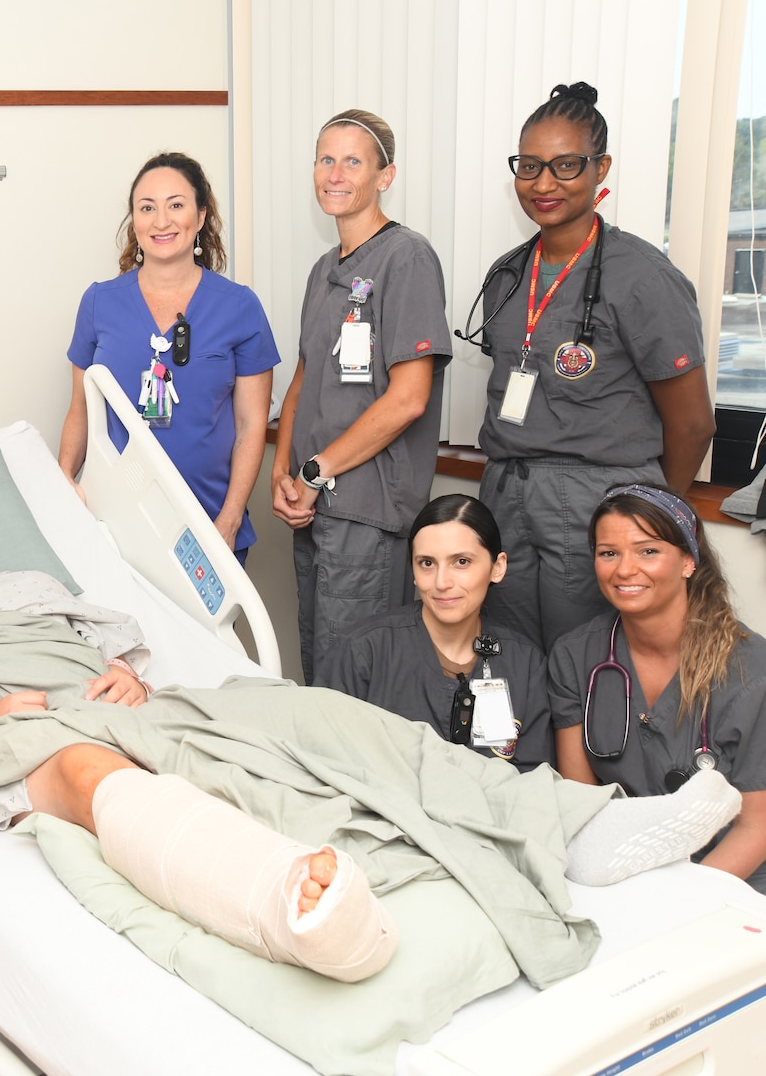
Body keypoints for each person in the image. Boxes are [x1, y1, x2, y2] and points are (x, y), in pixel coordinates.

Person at [0, 450, 744, 995]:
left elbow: (127, 664)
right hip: (3, 737)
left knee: (314, 717)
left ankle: (576, 827)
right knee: (83, 770)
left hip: (116, 706)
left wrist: (118, 670)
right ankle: (292, 908)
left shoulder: (43, 587)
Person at [472, 83, 714, 651]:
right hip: (506, 493)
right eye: (530, 166)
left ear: (600, 167)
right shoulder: (507, 276)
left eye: (565, 165)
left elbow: (693, 424)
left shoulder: (643, 278)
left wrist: (649, 520)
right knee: (509, 659)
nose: (544, 183)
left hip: (601, 502)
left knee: (589, 660)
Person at [271, 110, 452, 685]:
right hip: (313, 503)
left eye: (353, 160)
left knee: (354, 678)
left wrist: (316, 471)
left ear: (385, 175)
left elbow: (408, 399)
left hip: (365, 508)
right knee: (319, 664)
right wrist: (283, 473)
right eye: (326, 159)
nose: (335, 173)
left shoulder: (406, 258)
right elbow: (304, 377)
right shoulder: (325, 270)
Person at [59, 152, 279, 564]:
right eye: (147, 208)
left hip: (209, 523)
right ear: (134, 222)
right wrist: (64, 484)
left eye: (176, 205)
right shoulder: (98, 303)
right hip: (114, 521)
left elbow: (251, 427)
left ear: (199, 216)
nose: (161, 221)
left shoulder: (239, 307)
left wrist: (228, 523)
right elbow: (79, 411)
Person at [551, 484, 766, 892]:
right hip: (622, 867)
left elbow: (756, 829)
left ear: (688, 560)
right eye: (608, 553)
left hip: (726, 878)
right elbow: (581, 803)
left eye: (648, 551)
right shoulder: (576, 656)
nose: (624, 569)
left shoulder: (753, 671)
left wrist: (671, 903)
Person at [322, 495, 553, 771]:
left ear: (497, 567)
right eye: (427, 563)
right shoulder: (363, 652)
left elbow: (533, 780)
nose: (442, 582)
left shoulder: (524, 664)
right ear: (414, 572)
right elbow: (322, 760)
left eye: (462, 562)